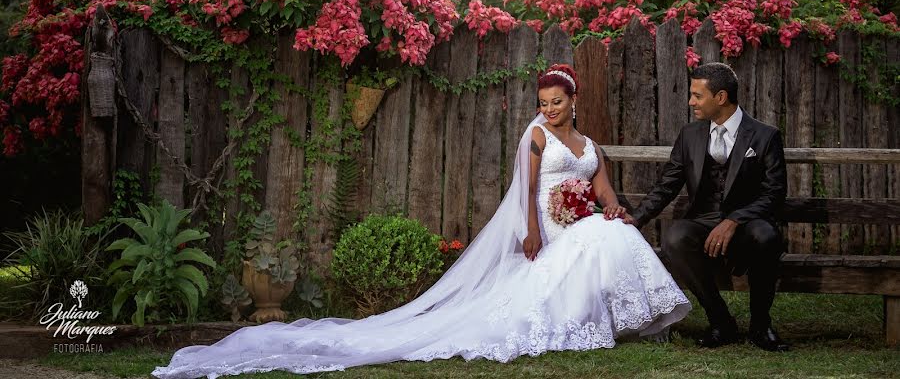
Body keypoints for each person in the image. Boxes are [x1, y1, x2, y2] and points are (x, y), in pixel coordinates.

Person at [152, 63, 690, 379]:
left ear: (573, 100)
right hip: (547, 221)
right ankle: (592, 318)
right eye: (543, 103)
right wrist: (531, 227)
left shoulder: (588, 143)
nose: (548, 109)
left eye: (556, 102)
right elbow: (527, 189)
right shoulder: (536, 138)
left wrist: (614, 208)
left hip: (582, 218)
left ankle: (616, 320)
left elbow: (600, 186)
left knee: (611, 230)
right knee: (595, 236)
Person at [623, 62, 789, 352]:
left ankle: (761, 326)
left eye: (697, 96)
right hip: (703, 221)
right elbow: (667, 185)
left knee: (767, 236)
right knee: (675, 238)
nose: (691, 102)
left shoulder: (765, 136)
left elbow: (774, 194)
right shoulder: (690, 135)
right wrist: (635, 219)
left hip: (749, 224)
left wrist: (735, 219)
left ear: (721, 97)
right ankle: (721, 321)